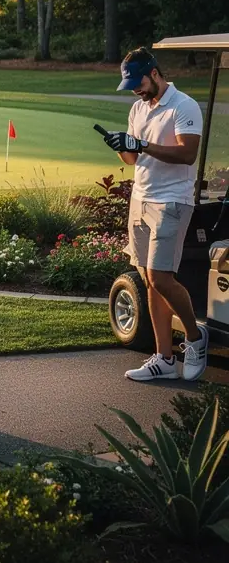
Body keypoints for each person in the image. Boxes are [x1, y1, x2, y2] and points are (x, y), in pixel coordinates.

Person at [101, 48, 207, 383]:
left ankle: (194, 338)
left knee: (161, 277)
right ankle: (163, 357)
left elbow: (188, 154)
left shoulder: (184, 105)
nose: (136, 89)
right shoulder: (138, 108)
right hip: (141, 198)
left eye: (139, 82)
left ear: (156, 73)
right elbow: (132, 160)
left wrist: (141, 144)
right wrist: (121, 144)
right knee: (148, 279)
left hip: (172, 201)